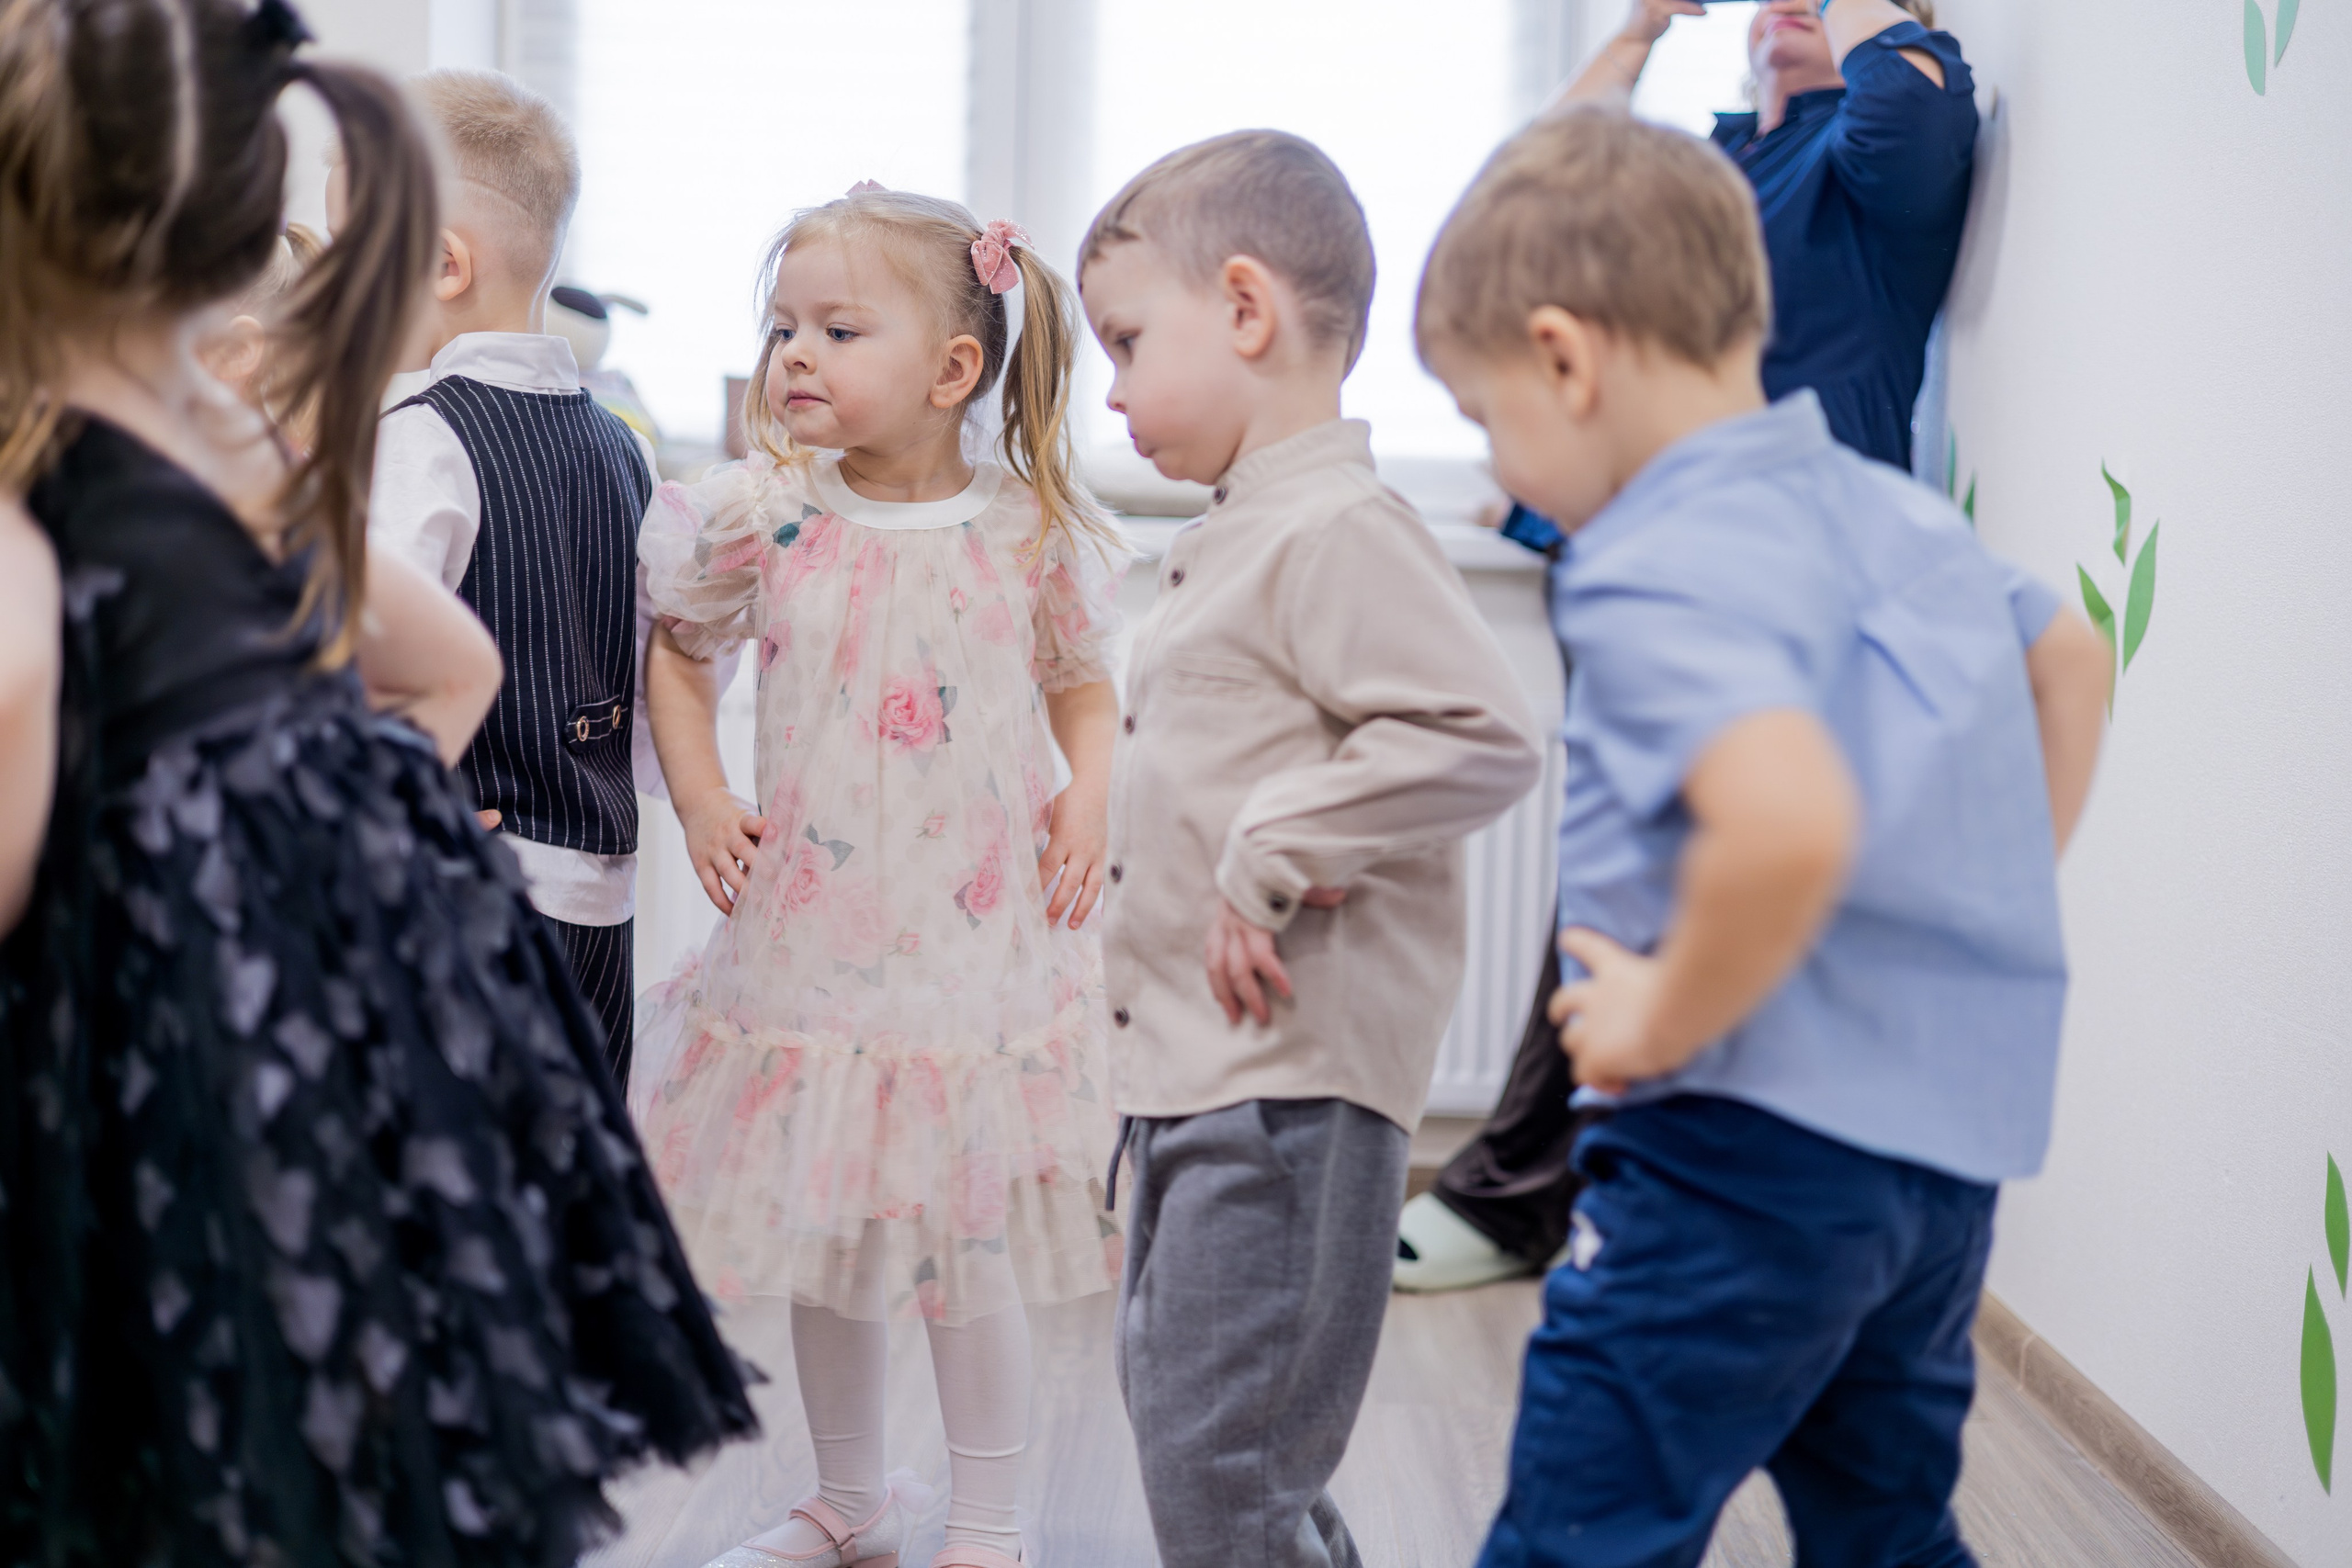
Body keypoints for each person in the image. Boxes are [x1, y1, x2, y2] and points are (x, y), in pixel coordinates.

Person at [0, 5, 762, 1568]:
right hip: (373, 992)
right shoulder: (253, 452)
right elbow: (456, 664)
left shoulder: (47, 518)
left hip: (163, 1044)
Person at [1415, 109, 2111, 1562]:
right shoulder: (1887, 510)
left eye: (1486, 420)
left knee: (1583, 1530)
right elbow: (2072, 662)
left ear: (1564, 354)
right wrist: (1968, 889)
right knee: (1885, 1522)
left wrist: (1663, 1004)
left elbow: (1784, 819)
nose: (1502, 465)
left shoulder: (1647, 553)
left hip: (1735, 1143)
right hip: (1937, 1165)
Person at [1398, 0, 1984, 1293]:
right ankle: (1564, 1197)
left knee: (1704, 885)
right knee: (1620, 884)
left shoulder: (1863, 159)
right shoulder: (1717, 165)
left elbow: (1922, 109)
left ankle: (1570, 1204)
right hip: (1636, 566)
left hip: (1770, 597)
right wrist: (1637, 30)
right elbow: (1530, 215)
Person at [629, 185, 1126, 1568]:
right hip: (808, 946)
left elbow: (1083, 686)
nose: (795, 353)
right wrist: (703, 793)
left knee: (968, 1250)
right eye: (784, 324)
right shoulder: (759, 516)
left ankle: (987, 1516)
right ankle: (849, 1498)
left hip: (971, 960)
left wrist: (1088, 793)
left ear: (953, 369)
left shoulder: (1025, 530)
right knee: (827, 1235)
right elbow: (678, 647)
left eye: (838, 327)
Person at [1081, 131, 1543, 1568]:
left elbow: (1484, 732)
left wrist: (1278, 839)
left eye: (1127, 339)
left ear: (1244, 307)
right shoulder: (1241, 532)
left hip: (1288, 1087)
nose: (1112, 384)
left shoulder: (1339, 526)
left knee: (1222, 1456)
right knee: (1212, 1435)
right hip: (1200, 1076)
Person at [369, 69, 653, 1084]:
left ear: (443, 265)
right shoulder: (623, 447)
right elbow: (650, 673)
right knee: (571, 1177)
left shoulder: (420, 439)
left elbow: (363, 663)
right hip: (600, 905)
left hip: (467, 890)